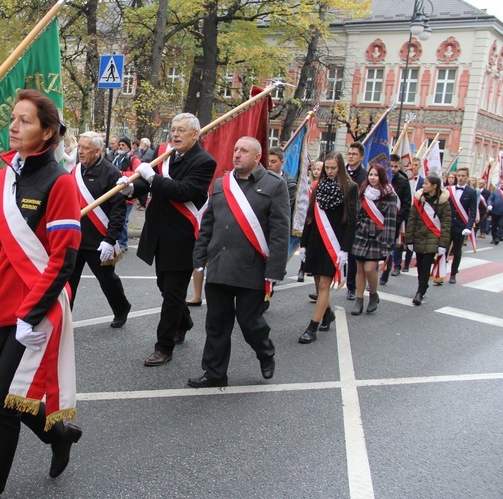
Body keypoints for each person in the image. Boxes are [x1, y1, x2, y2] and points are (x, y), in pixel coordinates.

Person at [0, 90, 82, 497]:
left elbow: (62, 260)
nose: (14, 126)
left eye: (25, 120)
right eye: (14, 119)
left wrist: (30, 314)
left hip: (34, 313)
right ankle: (58, 434)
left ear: (48, 133)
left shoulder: (59, 183)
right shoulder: (1, 179)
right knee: (3, 396)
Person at [188, 137, 289, 387]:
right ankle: (214, 373)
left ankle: (265, 353)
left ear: (257, 157)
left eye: (244, 151)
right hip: (220, 266)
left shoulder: (274, 185)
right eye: (235, 149)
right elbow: (208, 223)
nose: (237, 154)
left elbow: (279, 231)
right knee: (216, 324)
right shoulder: (223, 184)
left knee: (249, 323)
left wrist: (274, 271)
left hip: (252, 268)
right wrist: (199, 255)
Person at [117, 113, 216, 365]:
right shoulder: (166, 155)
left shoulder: (204, 161)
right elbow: (150, 186)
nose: (175, 134)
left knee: (172, 293)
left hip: (182, 237)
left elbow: (185, 191)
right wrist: (131, 188)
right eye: (173, 129)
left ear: (195, 133)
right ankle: (184, 321)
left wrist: (151, 177)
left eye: (181, 130)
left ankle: (164, 346)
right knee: (165, 287)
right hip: (158, 234)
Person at [69, 132, 131, 327]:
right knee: (67, 283)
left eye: (85, 148)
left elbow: (118, 211)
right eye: (79, 147)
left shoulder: (111, 173)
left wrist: (110, 239)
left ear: (98, 151)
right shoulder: (75, 170)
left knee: (107, 281)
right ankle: (63, 318)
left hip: (99, 240)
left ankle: (121, 309)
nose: (80, 151)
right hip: (75, 238)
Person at [298, 151, 357, 343]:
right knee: (317, 281)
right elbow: (309, 216)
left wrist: (345, 250)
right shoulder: (319, 185)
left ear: (340, 168)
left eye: (334, 168)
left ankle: (312, 328)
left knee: (324, 284)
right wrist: (304, 243)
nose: (330, 171)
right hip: (316, 238)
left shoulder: (350, 187)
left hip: (335, 241)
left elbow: (351, 220)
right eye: (327, 168)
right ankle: (327, 313)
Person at [350, 165, 397, 315]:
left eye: (376, 175)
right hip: (361, 235)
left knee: (369, 269)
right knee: (360, 270)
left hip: (377, 237)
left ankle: (373, 294)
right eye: (370, 174)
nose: (372, 177)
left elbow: (390, 220)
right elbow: (356, 213)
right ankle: (359, 299)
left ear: (381, 177)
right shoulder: (362, 192)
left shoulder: (389, 195)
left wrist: (388, 244)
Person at [405, 173, 451, 305]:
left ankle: (420, 291)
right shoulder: (419, 201)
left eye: (426, 183)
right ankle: (422, 285)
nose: (423, 186)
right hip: (419, 236)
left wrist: (443, 244)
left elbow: (446, 225)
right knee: (420, 265)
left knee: (426, 265)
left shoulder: (444, 204)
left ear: (434, 186)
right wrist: (409, 239)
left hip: (433, 238)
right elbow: (412, 220)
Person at [380, 154, 412, 284]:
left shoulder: (403, 182)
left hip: (394, 222)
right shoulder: (382, 179)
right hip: (379, 219)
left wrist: (397, 220)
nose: (392, 169)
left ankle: (385, 274)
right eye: (390, 166)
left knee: (389, 247)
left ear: (399, 166)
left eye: (395, 166)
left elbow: (406, 204)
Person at [445, 166, 477, 283]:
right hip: (448, 224)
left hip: (460, 226)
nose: (460, 178)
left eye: (463, 176)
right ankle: (441, 272)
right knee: (443, 249)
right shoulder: (449, 189)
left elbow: (473, 211)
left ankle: (453, 274)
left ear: (467, 177)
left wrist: (468, 227)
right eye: (459, 175)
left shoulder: (472, 192)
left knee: (457, 251)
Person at [345, 142, 367, 300]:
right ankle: (324, 287)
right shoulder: (341, 171)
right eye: (349, 153)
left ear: (361, 157)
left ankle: (351, 287)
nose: (351, 156)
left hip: (355, 220)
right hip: (338, 217)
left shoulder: (365, 176)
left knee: (352, 255)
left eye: (354, 154)